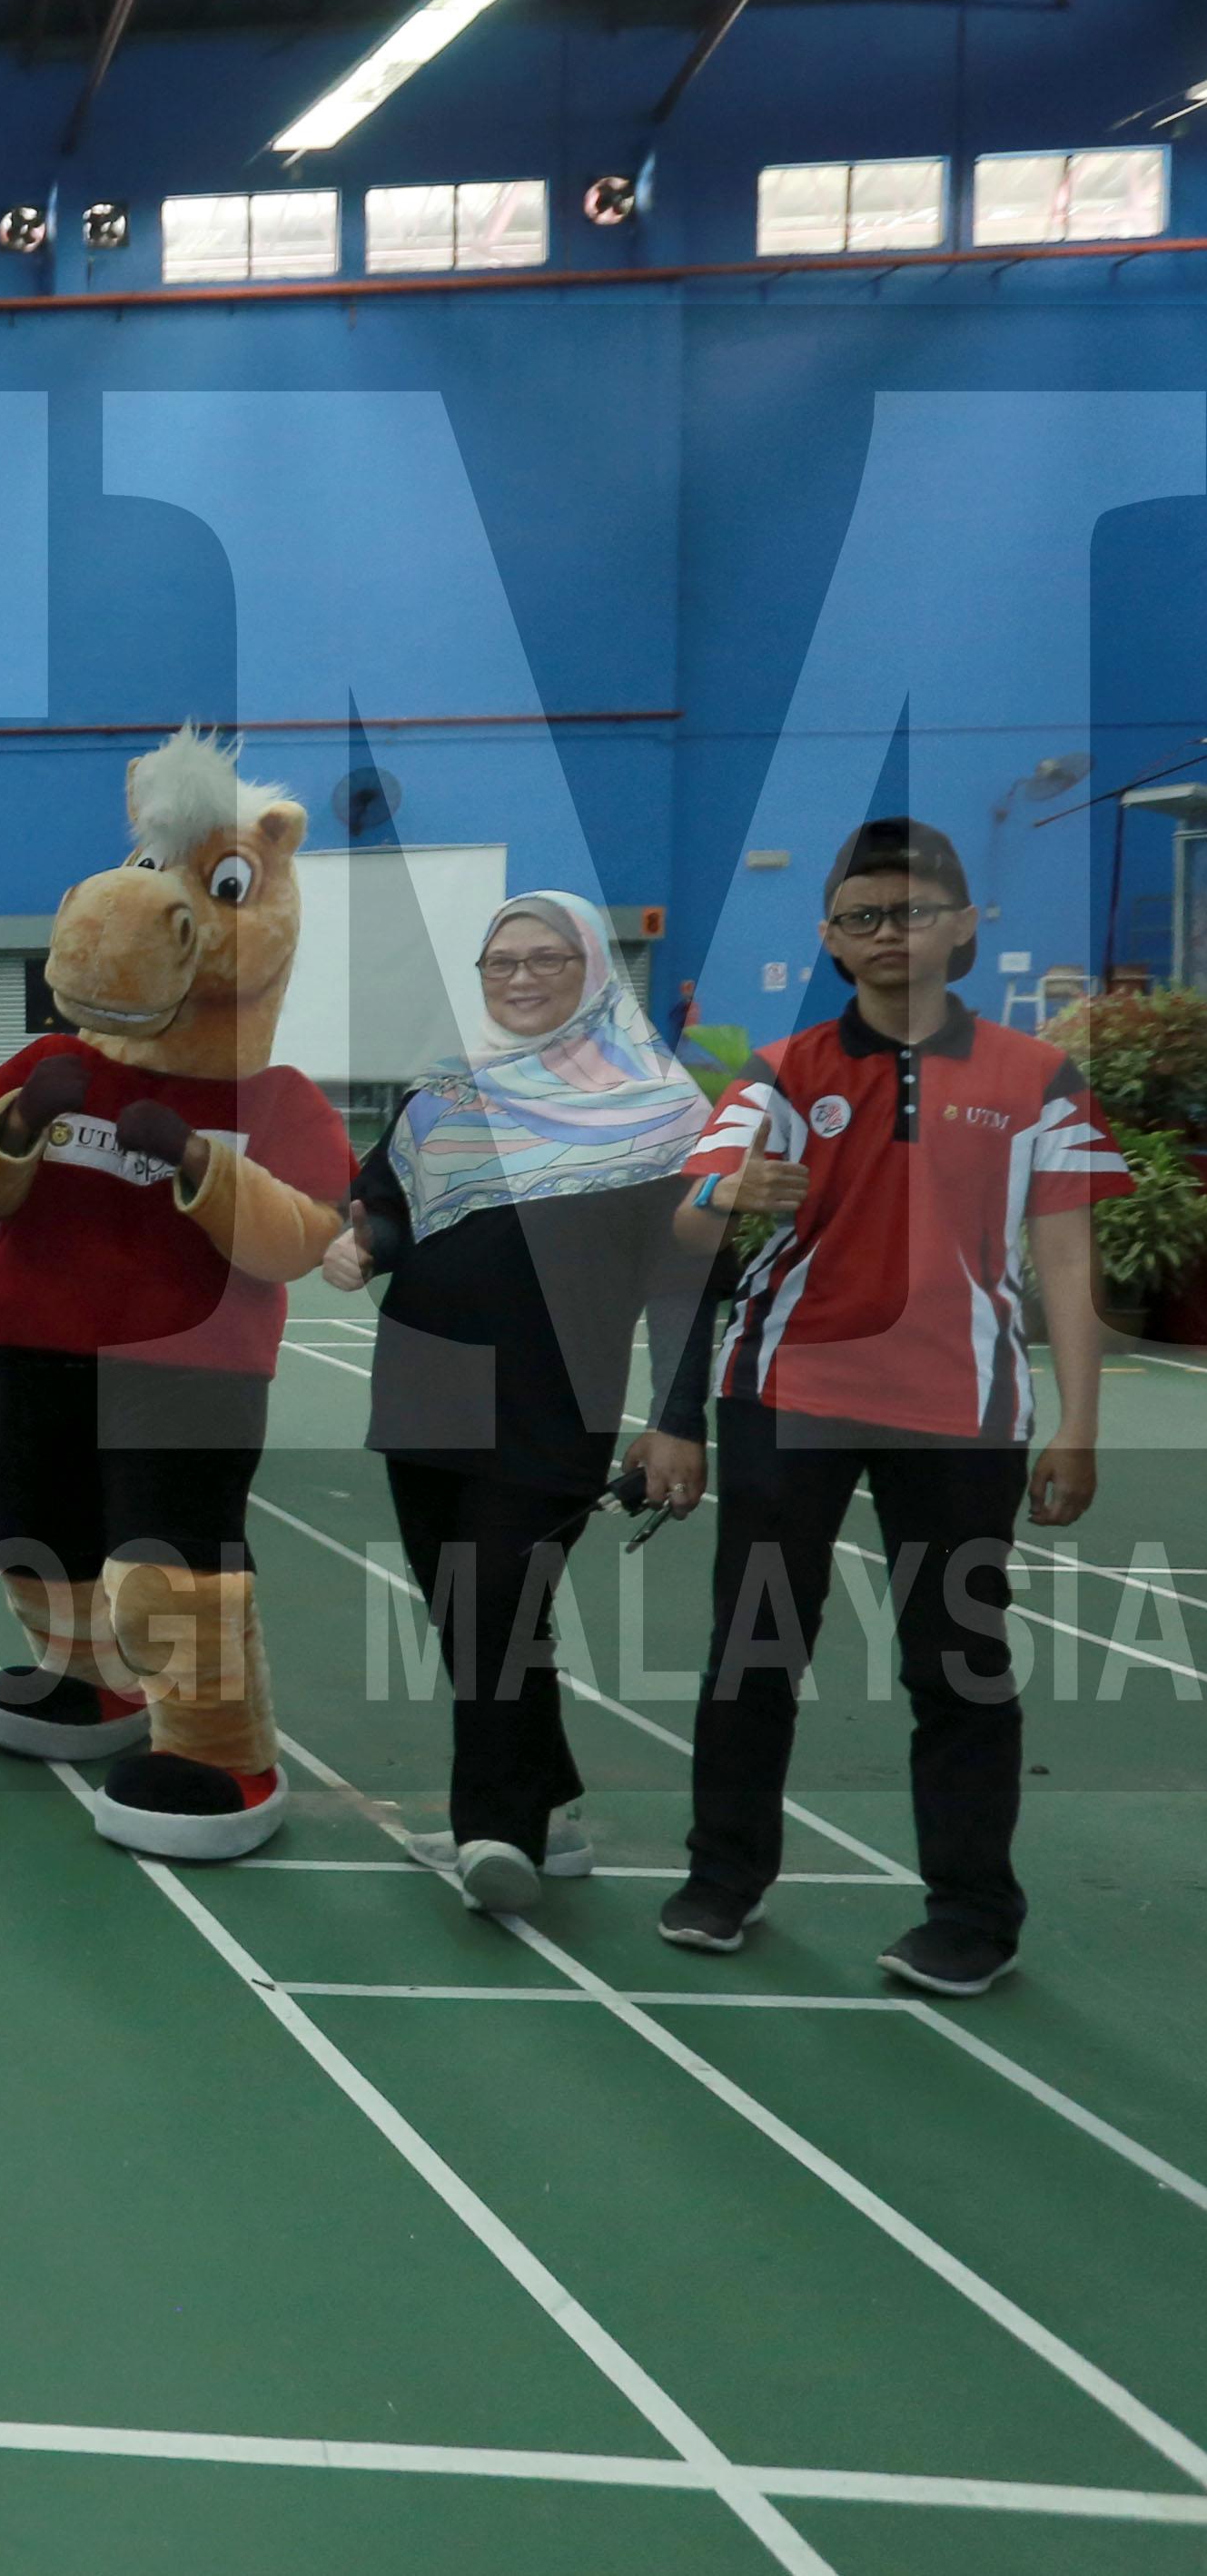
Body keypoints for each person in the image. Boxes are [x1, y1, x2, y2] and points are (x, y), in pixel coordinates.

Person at [665, 821, 1120, 1994]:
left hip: (962, 1409)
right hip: (786, 1392)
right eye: (861, 916)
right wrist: (729, 1190)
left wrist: (1077, 1421)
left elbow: (1066, 1256)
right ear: (829, 936)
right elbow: (688, 1216)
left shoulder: (1037, 1078)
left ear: (962, 925)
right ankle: (722, 1876)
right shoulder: (782, 1070)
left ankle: (971, 1915)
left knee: (957, 1662)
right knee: (754, 1646)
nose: (886, 933)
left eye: (910, 912)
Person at [317, 893, 714, 1915]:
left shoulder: (656, 1107)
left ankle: (494, 1829)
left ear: (593, 969)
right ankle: (548, 1795)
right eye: (502, 961)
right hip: (423, 1385)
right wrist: (360, 1246)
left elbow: (685, 1279)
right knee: (467, 1606)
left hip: (553, 1398)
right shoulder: (443, 1091)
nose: (521, 977)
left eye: (546, 958)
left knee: (495, 1595)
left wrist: (679, 1415)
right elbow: (389, 1208)